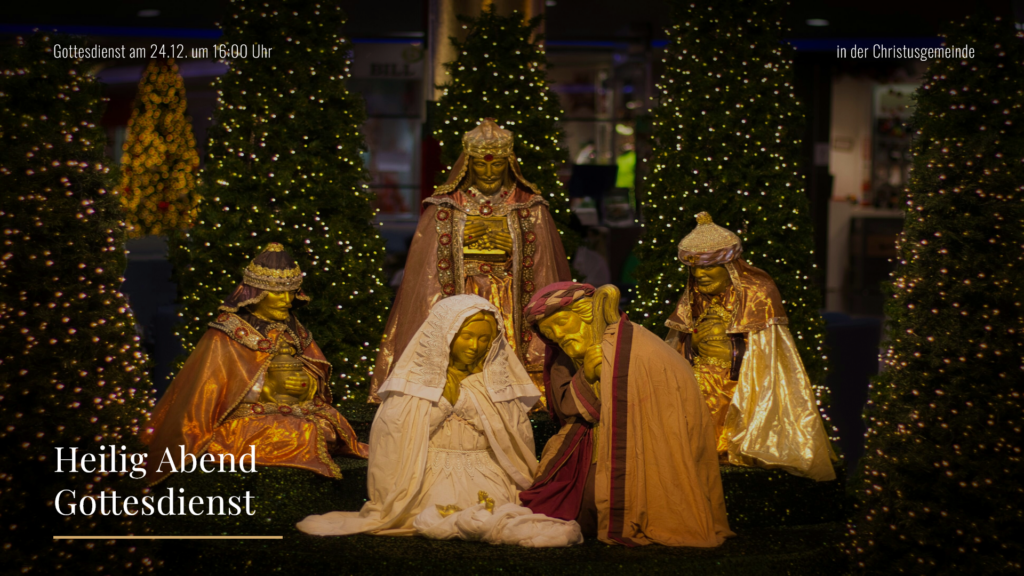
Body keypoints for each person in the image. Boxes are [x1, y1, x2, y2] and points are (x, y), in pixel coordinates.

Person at [298, 296, 581, 547]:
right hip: (424, 473)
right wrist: (442, 401)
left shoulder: (494, 383)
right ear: (446, 335)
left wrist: (469, 400)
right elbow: (395, 433)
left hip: (487, 471)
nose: (476, 346)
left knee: (496, 515)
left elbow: (512, 434)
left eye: (485, 339)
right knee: (434, 515)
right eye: (467, 336)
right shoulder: (414, 383)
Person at [369, 119, 571, 403]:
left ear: (508, 164)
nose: (489, 172)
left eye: (496, 164)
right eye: (481, 164)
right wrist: (455, 238)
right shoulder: (445, 206)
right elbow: (424, 265)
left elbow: (543, 264)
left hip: (509, 298)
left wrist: (517, 243)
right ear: (468, 165)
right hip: (461, 295)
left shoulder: (529, 205)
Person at [518, 282, 732, 547]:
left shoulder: (640, 348)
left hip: (647, 447)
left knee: (606, 499)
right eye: (549, 332)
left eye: (562, 323)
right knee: (564, 505)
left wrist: (605, 374)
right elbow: (567, 406)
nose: (559, 335)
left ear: (586, 313)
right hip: (590, 442)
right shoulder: (563, 357)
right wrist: (587, 376)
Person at [140, 243, 368, 484]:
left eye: (292, 292)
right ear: (256, 294)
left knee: (327, 427)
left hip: (294, 412)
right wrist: (265, 389)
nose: (288, 300)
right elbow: (207, 394)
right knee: (303, 434)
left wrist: (306, 384)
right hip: (248, 418)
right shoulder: (227, 334)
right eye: (279, 293)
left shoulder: (294, 329)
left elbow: (314, 371)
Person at [665, 212, 836, 481]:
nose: (699, 275)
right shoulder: (694, 295)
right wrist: (694, 343)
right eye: (694, 269)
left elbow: (768, 356)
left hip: (742, 389)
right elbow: (681, 343)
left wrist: (733, 353)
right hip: (700, 387)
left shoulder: (757, 293)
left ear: (729, 266)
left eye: (708, 267)